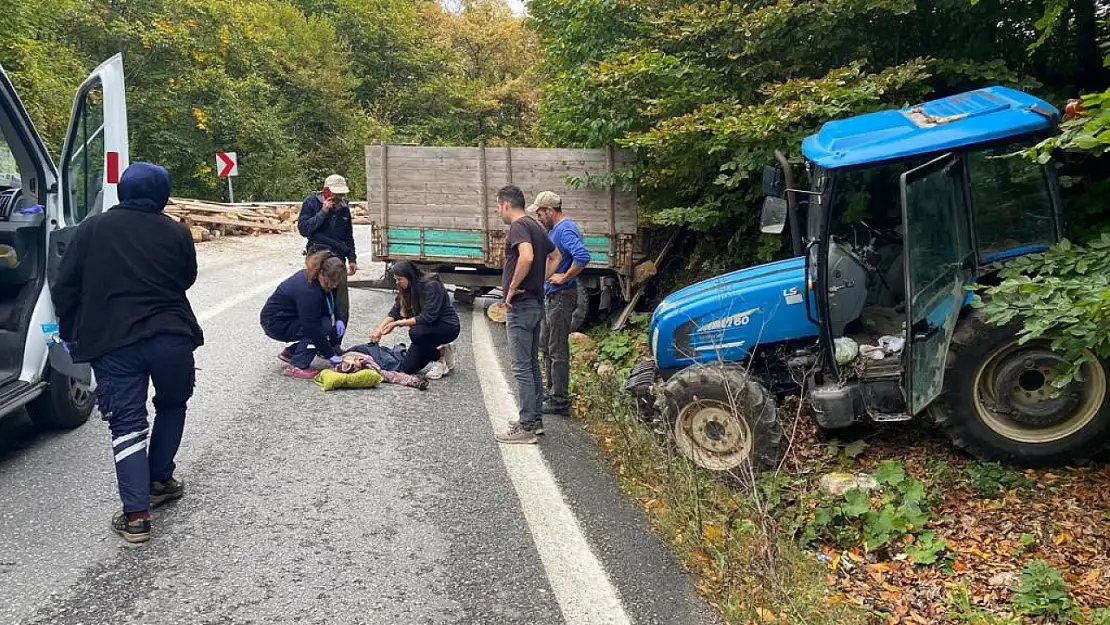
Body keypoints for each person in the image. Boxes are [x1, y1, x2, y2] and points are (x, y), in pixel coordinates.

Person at [52, 162, 204, 544]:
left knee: (127, 424)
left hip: (114, 343)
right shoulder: (177, 232)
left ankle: (137, 517)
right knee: (172, 404)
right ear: (163, 195)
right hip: (171, 336)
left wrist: (70, 333)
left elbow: (65, 286)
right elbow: (187, 278)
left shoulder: (92, 229)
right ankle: (161, 480)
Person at [494, 186, 557, 445]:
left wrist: (512, 288)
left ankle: (527, 426)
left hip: (520, 306)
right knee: (531, 365)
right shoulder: (537, 227)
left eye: (498, 206)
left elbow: (527, 256)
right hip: (536, 302)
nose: (498, 211)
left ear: (507, 204)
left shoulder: (519, 226)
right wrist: (537, 282)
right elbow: (556, 256)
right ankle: (535, 419)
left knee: (521, 367)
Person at [528, 191, 591, 417]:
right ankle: (552, 390)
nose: (538, 217)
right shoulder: (555, 230)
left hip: (562, 296)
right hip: (552, 295)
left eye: (540, 212)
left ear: (550, 211)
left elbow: (582, 256)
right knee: (546, 343)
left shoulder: (565, 230)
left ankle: (560, 400)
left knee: (557, 348)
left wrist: (564, 277)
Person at [260, 251, 348, 379]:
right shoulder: (308, 290)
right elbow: (312, 327)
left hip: (293, 317)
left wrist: (339, 318)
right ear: (321, 273)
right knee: (322, 327)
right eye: (329, 282)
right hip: (275, 322)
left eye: (336, 283)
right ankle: (297, 366)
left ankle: (292, 352)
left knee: (327, 324)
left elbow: (331, 301)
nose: (332, 286)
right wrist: (330, 355)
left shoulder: (324, 281)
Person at [368, 261, 460, 379]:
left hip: (447, 327)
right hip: (426, 329)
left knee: (416, 332)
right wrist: (379, 330)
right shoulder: (407, 289)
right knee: (408, 367)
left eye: (399, 279)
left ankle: (440, 359)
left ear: (409, 276)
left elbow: (428, 317)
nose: (397, 283)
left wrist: (397, 324)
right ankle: (444, 349)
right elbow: (395, 312)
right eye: (395, 279)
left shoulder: (431, 285)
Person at [298, 174, 358, 323]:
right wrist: (323, 212)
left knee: (341, 299)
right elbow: (304, 229)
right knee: (315, 293)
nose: (338, 198)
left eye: (341, 195)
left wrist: (352, 258)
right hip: (317, 252)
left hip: (338, 255)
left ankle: (337, 338)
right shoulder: (311, 203)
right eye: (335, 194)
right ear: (326, 191)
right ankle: (314, 331)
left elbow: (348, 235)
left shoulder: (344, 209)